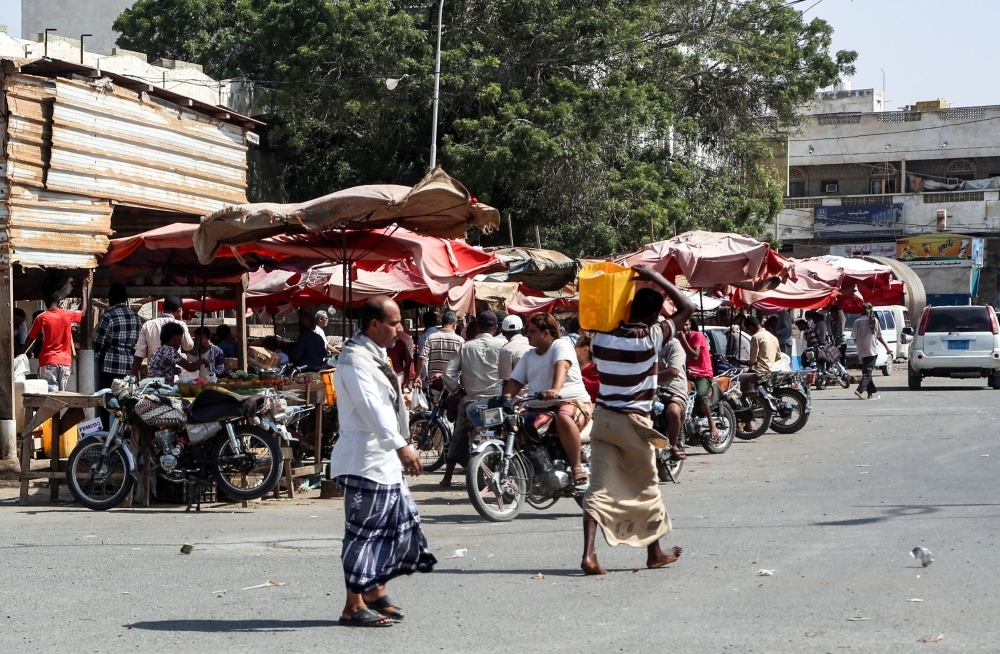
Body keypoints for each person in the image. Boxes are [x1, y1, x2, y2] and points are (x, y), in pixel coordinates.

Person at [329, 296, 436, 627]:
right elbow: (371, 409)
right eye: (394, 323)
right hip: (364, 460)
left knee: (393, 527)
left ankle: (375, 592)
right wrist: (402, 445)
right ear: (373, 325)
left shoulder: (374, 356)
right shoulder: (355, 363)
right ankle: (352, 605)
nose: (400, 329)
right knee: (363, 534)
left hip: (382, 461)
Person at [582, 265, 694, 576]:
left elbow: (599, 320)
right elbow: (687, 307)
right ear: (656, 315)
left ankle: (589, 554)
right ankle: (655, 553)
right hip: (634, 422)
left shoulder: (600, 339)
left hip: (603, 418)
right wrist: (655, 278)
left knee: (598, 489)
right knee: (647, 487)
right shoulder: (652, 337)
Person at [502, 312, 594, 487]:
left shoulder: (561, 345)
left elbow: (563, 367)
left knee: (564, 418)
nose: (528, 335)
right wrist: (504, 399)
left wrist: (555, 390)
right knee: (511, 424)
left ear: (546, 333)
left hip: (572, 402)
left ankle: (576, 466)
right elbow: (515, 382)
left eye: (532, 331)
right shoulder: (529, 355)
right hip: (538, 407)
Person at [440, 311, 505, 487]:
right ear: (496, 328)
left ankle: (447, 478)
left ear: (477, 327)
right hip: (495, 403)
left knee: (459, 437)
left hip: (470, 404)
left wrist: (458, 390)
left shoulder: (466, 347)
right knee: (502, 437)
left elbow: (448, 374)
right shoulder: (503, 345)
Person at [25, 292, 82, 392]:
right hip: (65, 363)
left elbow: (30, 338)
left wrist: (20, 355)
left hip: (48, 361)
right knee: (59, 397)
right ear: (59, 300)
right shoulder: (68, 314)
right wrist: (84, 288)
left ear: (45, 300)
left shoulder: (42, 317)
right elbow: (84, 312)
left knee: (50, 398)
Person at [92, 284, 142, 390]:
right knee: (127, 398)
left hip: (111, 365)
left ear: (110, 299)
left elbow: (97, 343)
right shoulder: (136, 317)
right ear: (125, 299)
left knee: (107, 398)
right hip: (130, 365)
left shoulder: (108, 316)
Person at [677, 318, 718, 443]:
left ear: (690, 325)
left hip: (703, 374)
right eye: (682, 325)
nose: (685, 328)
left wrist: (682, 339)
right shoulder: (677, 340)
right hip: (687, 374)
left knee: (700, 395)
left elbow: (694, 355)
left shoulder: (698, 336)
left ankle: (712, 423)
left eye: (687, 325)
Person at [131, 296, 194, 377]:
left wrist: (132, 376)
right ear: (179, 310)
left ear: (162, 307)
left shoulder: (147, 325)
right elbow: (188, 346)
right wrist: (181, 321)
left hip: (153, 379)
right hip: (173, 378)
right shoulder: (180, 325)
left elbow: (139, 354)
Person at [658, 331, 688, 461]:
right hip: (647, 388)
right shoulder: (642, 345)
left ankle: (673, 445)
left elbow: (673, 371)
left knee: (673, 412)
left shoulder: (674, 344)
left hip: (672, 389)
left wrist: (646, 376)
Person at [852, 302, 892, 400]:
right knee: (868, 372)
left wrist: (860, 345)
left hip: (862, 350)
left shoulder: (857, 321)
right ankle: (860, 390)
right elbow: (879, 336)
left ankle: (870, 392)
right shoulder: (875, 321)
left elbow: (854, 338)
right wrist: (887, 347)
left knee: (866, 371)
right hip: (872, 350)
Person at [413, 311, 464, 384]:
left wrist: (417, 376)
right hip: (452, 383)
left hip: (433, 382)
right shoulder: (460, 341)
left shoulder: (431, 338)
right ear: (454, 324)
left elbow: (422, 358)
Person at [739, 316, 782, 397]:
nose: (749, 332)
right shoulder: (773, 337)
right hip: (769, 370)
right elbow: (778, 356)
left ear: (751, 326)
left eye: (748, 329)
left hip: (758, 370)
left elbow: (753, 359)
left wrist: (748, 362)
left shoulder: (756, 337)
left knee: (739, 382)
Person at [497, 315, 531, 383]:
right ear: (522, 330)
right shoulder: (532, 344)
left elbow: (506, 380)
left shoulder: (506, 349)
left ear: (503, 332)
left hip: (517, 393)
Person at [575, 332, 599, 403]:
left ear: (585, 349)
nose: (574, 348)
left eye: (576, 346)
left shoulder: (594, 367)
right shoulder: (575, 365)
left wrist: (582, 379)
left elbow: (598, 385)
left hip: (592, 404)